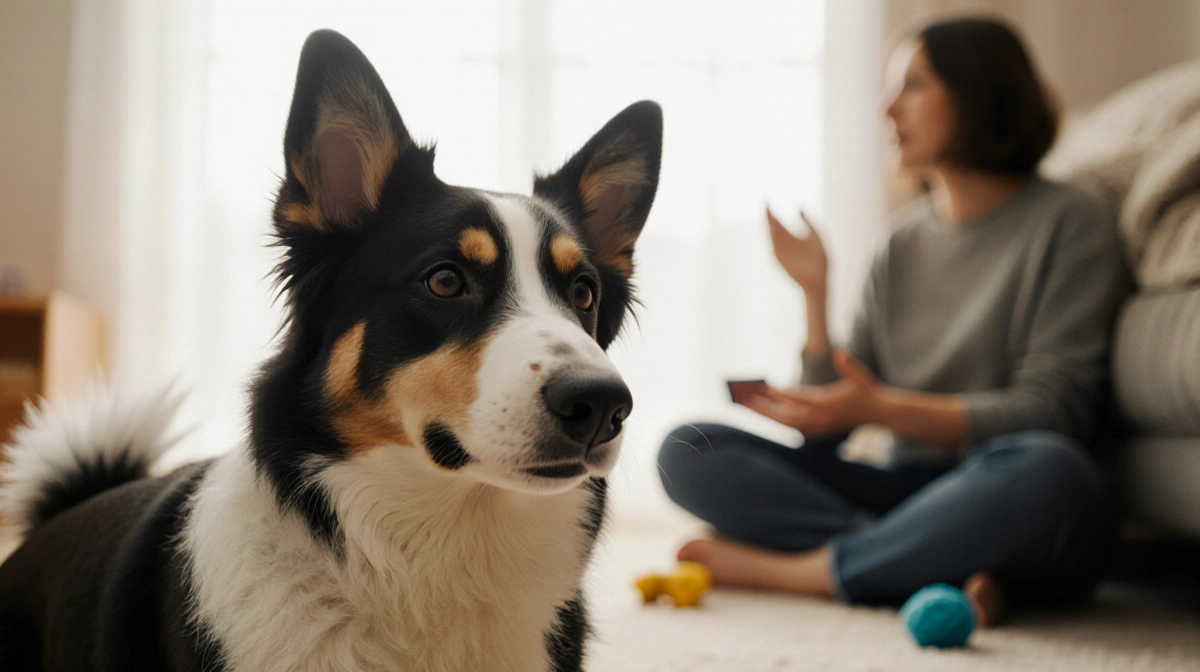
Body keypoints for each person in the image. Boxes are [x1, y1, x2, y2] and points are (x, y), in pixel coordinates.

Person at [656, 16, 1131, 626]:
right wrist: (815, 295)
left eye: (913, 85)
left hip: (997, 485)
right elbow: (827, 432)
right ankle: (922, 560)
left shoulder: (1071, 221)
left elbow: (1052, 412)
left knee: (1054, 471)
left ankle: (813, 571)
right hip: (905, 491)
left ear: (980, 92)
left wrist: (881, 409)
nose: (887, 109)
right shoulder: (898, 243)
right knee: (686, 449)